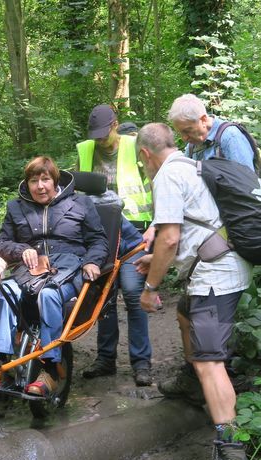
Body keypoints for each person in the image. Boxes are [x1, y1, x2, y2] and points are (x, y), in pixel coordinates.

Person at [135, 123, 252, 460]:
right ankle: (190, 380)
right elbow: (180, 235)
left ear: (145, 155)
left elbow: (169, 239)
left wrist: (151, 286)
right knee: (185, 315)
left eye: (142, 163)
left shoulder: (167, 176)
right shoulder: (192, 164)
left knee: (210, 363)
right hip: (220, 263)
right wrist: (152, 260)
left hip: (215, 276)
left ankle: (232, 455)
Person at [0, 156, 108, 396]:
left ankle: (51, 370)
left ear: (55, 181)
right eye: (34, 180)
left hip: (69, 270)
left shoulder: (81, 203)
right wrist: (21, 249)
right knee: (6, 292)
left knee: (48, 295)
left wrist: (92, 262)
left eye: (45, 179)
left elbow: (98, 240)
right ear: (27, 183)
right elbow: (3, 242)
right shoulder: (17, 207)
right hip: (28, 272)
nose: (40, 186)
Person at [158, 93, 255, 402]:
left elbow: (246, 191)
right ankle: (196, 375)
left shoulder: (231, 137)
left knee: (210, 320)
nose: (184, 138)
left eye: (187, 130)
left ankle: (220, 379)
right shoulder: (192, 147)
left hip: (230, 241)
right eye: (180, 133)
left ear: (204, 119)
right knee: (187, 312)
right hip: (208, 243)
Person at [76, 104, 153, 387]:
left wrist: (158, 225)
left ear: (115, 126)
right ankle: (106, 360)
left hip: (135, 233)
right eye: (94, 135)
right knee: (104, 300)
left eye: (103, 134)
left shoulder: (135, 147)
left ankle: (141, 363)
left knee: (134, 295)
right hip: (100, 233)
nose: (99, 140)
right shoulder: (85, 150)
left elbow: (155, 182)